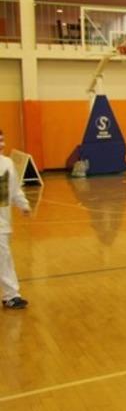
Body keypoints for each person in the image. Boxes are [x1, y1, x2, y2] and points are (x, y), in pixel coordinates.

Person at [0, 130, 31, 310]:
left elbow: (14, 188)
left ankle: (10, 296)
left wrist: (23, 204)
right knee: (4, 258)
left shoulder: (7, 164)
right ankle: (12, 294)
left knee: (4, 258)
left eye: (2, 140)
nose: (1, 145)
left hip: (3, 223)